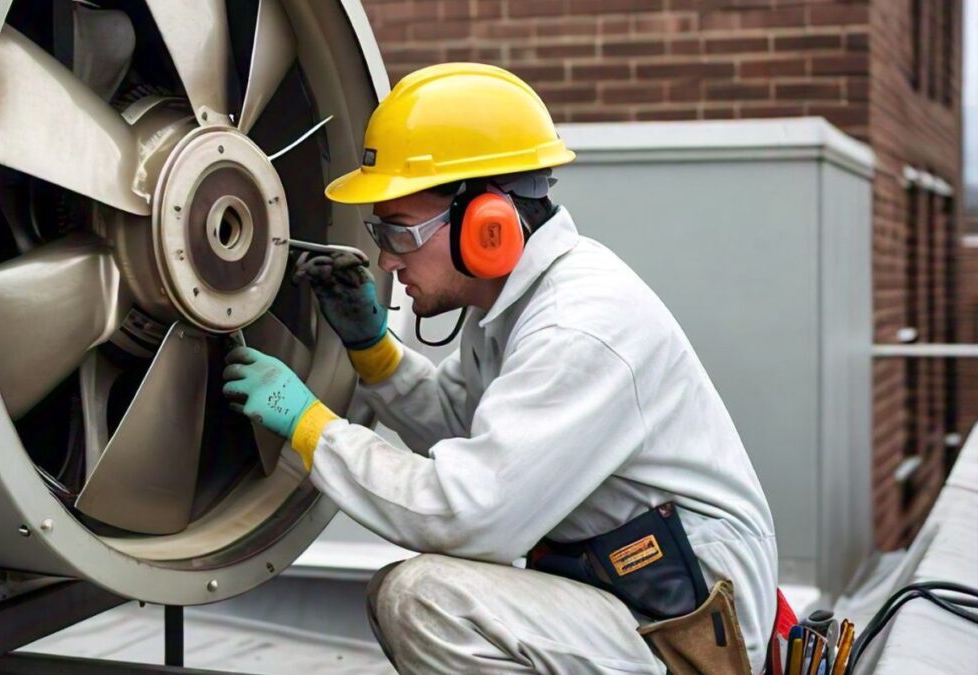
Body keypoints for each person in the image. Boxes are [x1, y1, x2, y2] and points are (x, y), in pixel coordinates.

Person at [223, 63, 779, 673]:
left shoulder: (579, 327)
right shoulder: (513, 306)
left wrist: (309, 426)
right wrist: (372, 349)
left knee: (424, 599)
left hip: (691, 629)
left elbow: (467, 514)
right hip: (630, 595)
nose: (384, 258)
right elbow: (465, 430)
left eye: (400, 233)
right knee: (420, 593)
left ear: (488, 227)